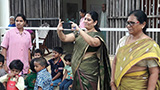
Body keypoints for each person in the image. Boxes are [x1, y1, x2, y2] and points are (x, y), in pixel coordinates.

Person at [57, 10, 111, 90]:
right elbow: (64, 38)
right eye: (85, 19)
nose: (85, 21)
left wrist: (79, 30)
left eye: (89, 20)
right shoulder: (79, 33)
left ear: (95, 22)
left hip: (89, 70)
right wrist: (59, 31)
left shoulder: (98, 35)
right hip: (77, 68)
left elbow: (93, 43)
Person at [111, 10, 160, 90]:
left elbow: (154, 72)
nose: (128, 26)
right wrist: (112, 83)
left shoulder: (149, 46)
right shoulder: (123, 41)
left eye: (132, 23)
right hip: (120, 86)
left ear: (143, 24)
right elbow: (115, 62)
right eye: (127, 23)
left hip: (138, 86)